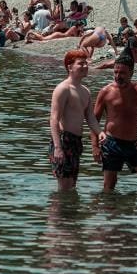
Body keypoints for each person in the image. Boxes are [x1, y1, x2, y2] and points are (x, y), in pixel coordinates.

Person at [94, 56, 137, 192]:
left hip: (133, 145)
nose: (118, 76)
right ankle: (110, 211)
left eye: (122, 73)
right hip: (111, 144)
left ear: (132, 72)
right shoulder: (106, 92)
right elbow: (94, 120)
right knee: (109, 185)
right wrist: (95, 146)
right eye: (116, 72)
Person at [49, 50, 104, 191]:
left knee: (72, 186)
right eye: (81, 63)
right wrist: (57, 148)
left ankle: (68, 213)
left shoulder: (85, 91)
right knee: (64, 188)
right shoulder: (63, 89)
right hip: (63, 140)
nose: (85, 66)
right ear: (70, 67)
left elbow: (90, 117)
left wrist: (100, 133)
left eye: (86, 63)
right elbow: (54, 119)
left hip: (76, 142)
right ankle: (57, 212)